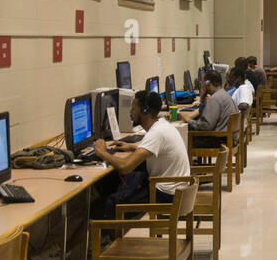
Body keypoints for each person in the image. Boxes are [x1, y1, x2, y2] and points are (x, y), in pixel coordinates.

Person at [91, 90, 190, 219]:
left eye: (134, 108)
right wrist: (132, 147)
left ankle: (108, 231)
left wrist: (102, 152)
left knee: (105, 205)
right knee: (111, 181)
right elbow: (152, 147)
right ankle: (112, 230)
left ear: (144, 111)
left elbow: (125, 166)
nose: (131, 111)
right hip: (174, 189)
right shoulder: (162, 126)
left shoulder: (156, 133)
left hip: (165, 195)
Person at [183, 69, 236, 134]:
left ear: (208, 83)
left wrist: (188, 120)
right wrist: (202, 99)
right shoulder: (223, 93)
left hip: (218, 139)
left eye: (203, 82)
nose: (202, 85)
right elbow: (203, 116)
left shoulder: (214, 99)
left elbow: (206, 126)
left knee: (184, 131)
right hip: (227, 136)